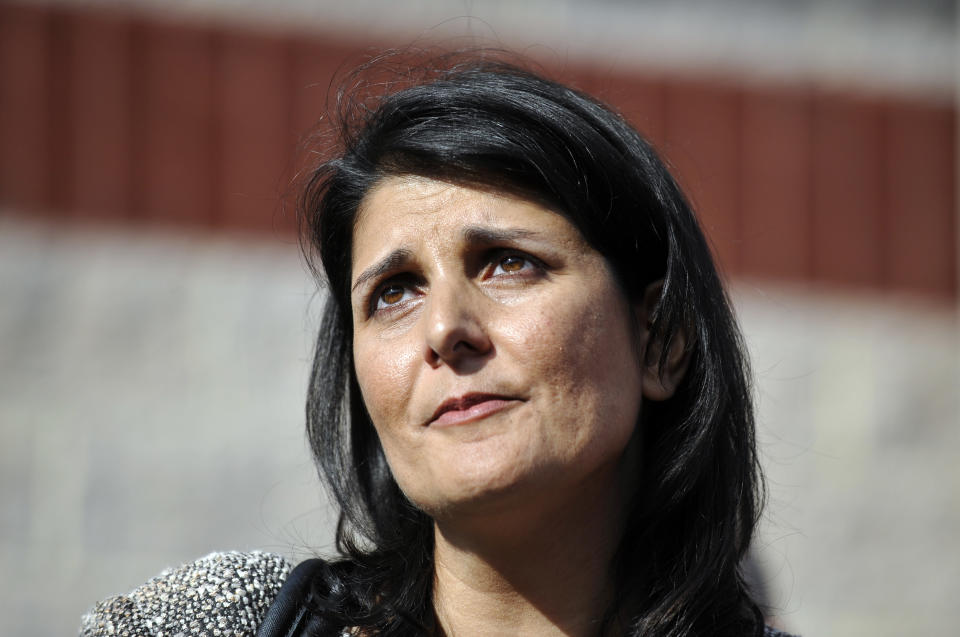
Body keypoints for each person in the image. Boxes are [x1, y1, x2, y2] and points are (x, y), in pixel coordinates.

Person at [81, 57, 795, 637]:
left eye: (507, 262)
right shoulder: (205, 625)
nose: (445, 327)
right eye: (394, 291)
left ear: (662, 339)